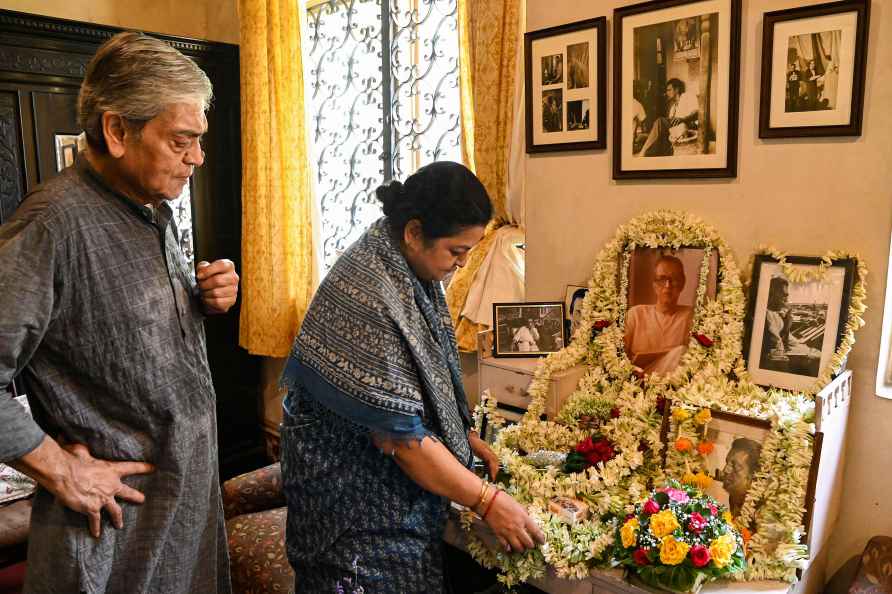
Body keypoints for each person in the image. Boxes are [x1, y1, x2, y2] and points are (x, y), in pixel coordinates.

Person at [0, 32, 239, 593]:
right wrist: (61, 469)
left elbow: (114, 331)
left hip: (185, 509)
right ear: (116, 131)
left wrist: (201, 299)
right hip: (112, 529)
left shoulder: (154, 206)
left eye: (199, 139)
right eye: (182, 140)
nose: (198, 158)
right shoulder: (50, 226)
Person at [279, 161, 545, 593]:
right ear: (414, 232)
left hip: (385, 485)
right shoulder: (371, 293)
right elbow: (403, 442)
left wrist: (463, 441)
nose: (460, 266)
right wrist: (488, 500)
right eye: (456, 252)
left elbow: (413, 387)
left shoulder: (403, 265)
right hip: (352, 512)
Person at [624, 255, 693, 375]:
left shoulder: (690, 316)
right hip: (635, 383)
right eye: (662, 279)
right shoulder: (635, 314)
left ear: (682, 284)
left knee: (682, 352)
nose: (668, 286)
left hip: (673, 385)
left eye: (674, 279)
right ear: (654, 284)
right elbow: (617, 356)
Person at [638, 78, 700, 157]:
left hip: (688, 127)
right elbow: (669, 126)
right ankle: (648, 152)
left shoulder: (687, 96)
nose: (667, 93)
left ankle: (642, 154)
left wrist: (683, 119)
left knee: (660, 121)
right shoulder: (673, 107)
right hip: (675, 132)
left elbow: (696, 113)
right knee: (652, 136)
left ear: (677, 89)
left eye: (669, 90)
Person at [719, 438, 762, 517]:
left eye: (735, 466)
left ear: (753, 475)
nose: (725, 470)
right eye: (727, 462)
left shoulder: (761, 511)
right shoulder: (735, 495)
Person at [761, 276, 792, 370]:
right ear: (773, 293)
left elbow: (787, 340)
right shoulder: (767, 315)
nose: (787, 297)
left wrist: (788, 319)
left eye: (787, 294)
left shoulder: (776, 314)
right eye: (784, 294)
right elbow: (778, 345)